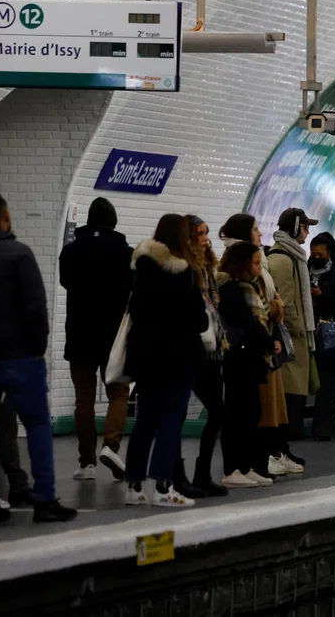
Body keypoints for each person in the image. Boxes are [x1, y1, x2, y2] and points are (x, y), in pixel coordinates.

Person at [0, 192, 76, 522]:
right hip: (18, 357)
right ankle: (44, 499)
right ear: (6, 216)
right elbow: (35, 308)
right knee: (37, 424)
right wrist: (36, 349)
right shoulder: (19, 254)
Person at [123, 214, 209, 508]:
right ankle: (163, 485)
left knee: (145, 420)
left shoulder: (142, 267)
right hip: (177, 358)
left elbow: (134, 310)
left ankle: (134, 486)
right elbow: (198, 320)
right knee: (171, 420)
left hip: (146, 358)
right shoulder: (184, 273)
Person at [219, 214, 303, 474]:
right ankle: (251, 464)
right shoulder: (238, 279)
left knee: (258, 408)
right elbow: (256, 313)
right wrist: (273, 322)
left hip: (261, 345)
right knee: (248, 410)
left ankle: (264, 458)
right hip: (252, 349)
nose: (260, 232)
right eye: (255, 228)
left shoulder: (256, 264)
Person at [60, 198, 133, 482]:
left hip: (79, 335)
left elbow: (67, 282)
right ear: (114, 223)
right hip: (114, 337)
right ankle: (111, 447)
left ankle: (86, 462)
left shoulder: (70, 252)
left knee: (84, 400)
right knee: (118, 394)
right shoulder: (127, 255)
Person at [166, 215, 229, 498]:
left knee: (218, 409)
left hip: (210, 350)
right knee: (176, 415)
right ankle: (177, 477)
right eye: (200, 234)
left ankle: (201, 473)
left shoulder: (206, 268)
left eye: (206, 232)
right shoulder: (183, 268)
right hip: (187, 349)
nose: (206, 238)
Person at [217, 241, 285, 489]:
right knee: (238, 412)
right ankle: (232, 468)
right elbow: (248, 322)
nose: (259, 268)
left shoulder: (247, 287)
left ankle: (244, 466)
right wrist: (270, 341)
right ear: (243, 264)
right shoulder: (231, 289)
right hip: (238, 357)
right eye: (256, 263)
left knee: (251, 411)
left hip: (249, 356)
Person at [268, 208, 320, 440]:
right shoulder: (282, 258)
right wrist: (298, 325)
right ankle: (281, 446)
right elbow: (283, 303)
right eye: (306, 227)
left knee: (294, 393)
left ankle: (284, 447)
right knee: (289, 395)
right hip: (289, 337)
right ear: (295, 227)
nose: (308, 232)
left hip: (294, 336)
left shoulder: (293, 256)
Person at [309, 232, 335, 441]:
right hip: (308, 331)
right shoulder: (304, 269)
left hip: (327, 333)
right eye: (313, 253)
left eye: (320, 254)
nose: (316, 257)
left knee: (326, 381)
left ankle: (323, 428)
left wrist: (321, 297)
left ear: (329, 253)